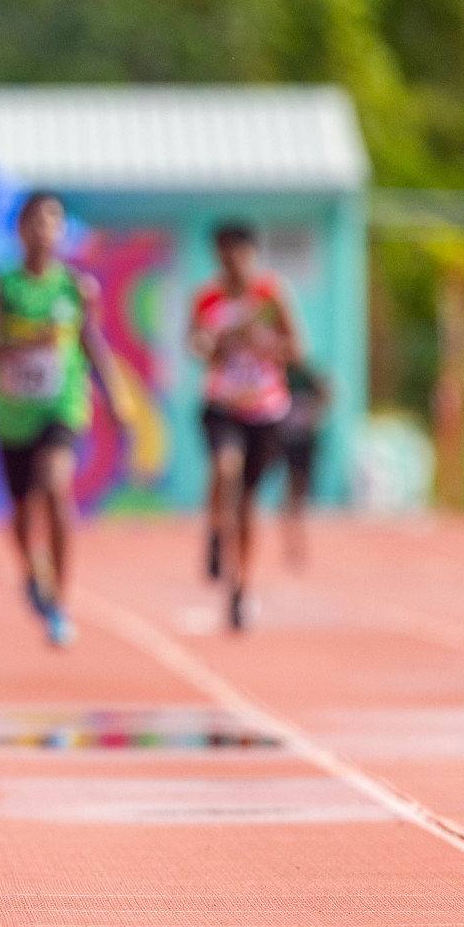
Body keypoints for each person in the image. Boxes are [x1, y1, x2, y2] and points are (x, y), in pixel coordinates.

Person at [0, 191, 126, 648]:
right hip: (13, 414)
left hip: (62, 406)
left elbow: (92, 343)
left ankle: (60, 604)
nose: (45, 228)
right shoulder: (1, 288)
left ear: (62, 230)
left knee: (57, 485)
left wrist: (116, 396)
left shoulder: (76, 288)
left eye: (54, 219)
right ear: (20, 229)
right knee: (23, 513)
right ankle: (32, 570)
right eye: (36, 219)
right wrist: (23, 344)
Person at [188, 222, 302, 631]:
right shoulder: (208, 298)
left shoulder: (272, 295)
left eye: (238, 252)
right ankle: (216, 531)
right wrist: (223, 339)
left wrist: (266, 343)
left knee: (250, 504)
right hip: (222, 404)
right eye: (223, 253)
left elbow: (297, 349)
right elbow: (196, 346)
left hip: (266, 409)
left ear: (253, 253)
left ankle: (240, 587)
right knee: (225, 467)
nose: (232, 261)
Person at [280, 361, 329, 570]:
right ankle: (291, 533)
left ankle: (295, 534)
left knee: (298, 488)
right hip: (281, 438)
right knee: (291, 490)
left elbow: (326, 392)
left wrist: (314, 416)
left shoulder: (307, 376)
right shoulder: (278, 374)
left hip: (304, 440)